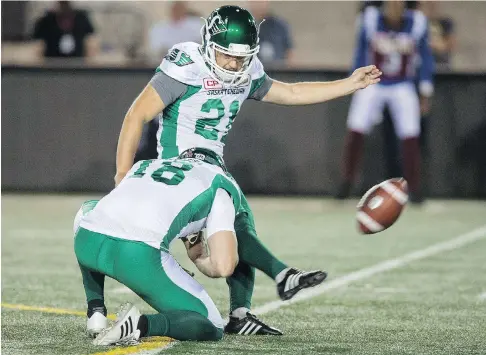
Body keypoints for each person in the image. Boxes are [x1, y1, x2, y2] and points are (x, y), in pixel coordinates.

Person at [112, 5, 381, 337]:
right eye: (226, 55)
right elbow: (136, 115)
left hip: (209, 167)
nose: (234, 64)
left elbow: (292, 92)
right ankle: (281, 276)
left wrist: (350, 84)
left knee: (232, 237)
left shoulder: (247, 71)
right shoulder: (187, 66)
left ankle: (241, 311)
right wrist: (122, 176)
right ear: (208, 44)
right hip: (179, 169)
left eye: (241, 57)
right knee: (236, 205)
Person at [74, 156, 248, 344]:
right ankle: (140, 324)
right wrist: (199, 258)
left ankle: (96, 310)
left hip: (87, 240)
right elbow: (224, 266)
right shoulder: (221, 185)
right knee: (212, 325)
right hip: (136, 255)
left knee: (88, 211)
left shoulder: (147, 163)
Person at [336, 1, 433, 203]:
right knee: (356, 126)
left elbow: (425, 57)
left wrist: (425, 90)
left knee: (410, 132)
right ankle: (346, 182)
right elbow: (360, 52)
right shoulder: (370, 18)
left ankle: (415, 187)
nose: (395, 6)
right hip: (374, 82)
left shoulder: (417, 22)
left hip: (402, 83)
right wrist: (353, 82)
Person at [32, 1, 97, 58]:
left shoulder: (82, 18)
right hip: (52, 62)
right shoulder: (47, 20)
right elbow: (37, 42)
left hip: (77, 62)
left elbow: (91, 39)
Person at [247, 0, 293, 65]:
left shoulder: (280, 26)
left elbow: (289, 53)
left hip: (277, 72)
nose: (258, 4)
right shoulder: (242, 26)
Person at [418, 1, 456, 65]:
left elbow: (451, 45)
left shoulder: (445, 22)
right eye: (428, 5)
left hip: (441, 63)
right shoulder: (419, 23)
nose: (431, 8)